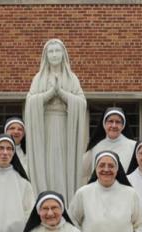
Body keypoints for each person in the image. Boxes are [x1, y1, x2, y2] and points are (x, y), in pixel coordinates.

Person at [24, 38, 87, 202]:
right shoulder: (38, 78)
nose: (54, 55)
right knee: (46, 165)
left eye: (57, 51)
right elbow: (30, 102)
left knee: (63, 167)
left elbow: (81, 102)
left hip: (66, 128)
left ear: (63, 54)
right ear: (46, 56)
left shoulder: (72, 78)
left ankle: (65, 201)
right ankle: (44, 199)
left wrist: (62, 93)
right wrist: (50, 93)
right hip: (44, 129)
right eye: (50, 52)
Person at [83, 107, 136, 179]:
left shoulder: (134, 146)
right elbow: (82, 170)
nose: (114, 125)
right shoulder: (96, 146)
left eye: (118, 122)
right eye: (110, 121)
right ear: (104, 124)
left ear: (123, 125)